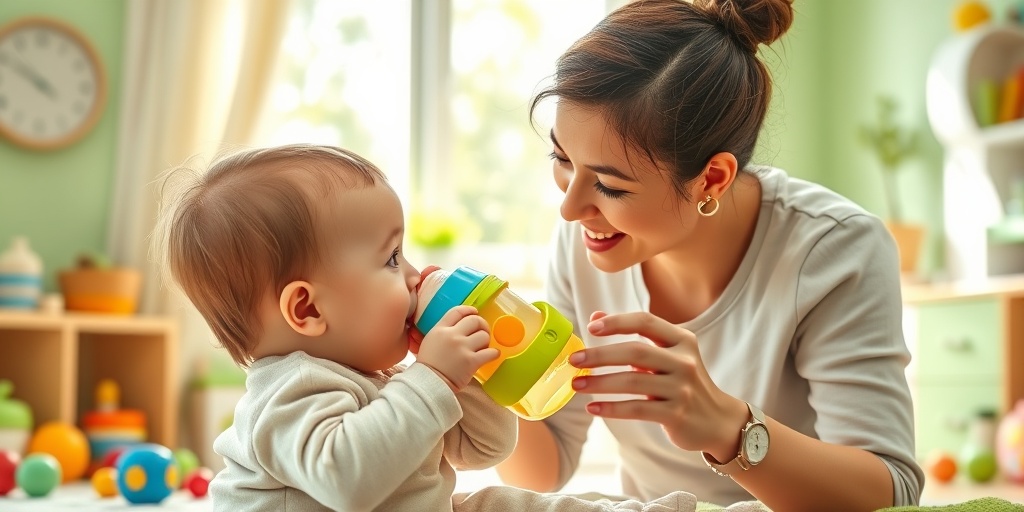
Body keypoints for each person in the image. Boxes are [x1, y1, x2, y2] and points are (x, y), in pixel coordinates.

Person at [496, 1, 925, 511]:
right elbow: (545, 469)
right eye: (562, 158)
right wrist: (481, 378)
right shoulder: (587, 240)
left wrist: (728, 427)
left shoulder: (834, 251)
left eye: (610, 186)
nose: (570, 209)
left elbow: (892, 494)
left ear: (712, 179)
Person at [152, 144, 705, 512]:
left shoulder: (386, 382)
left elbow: (484, 449)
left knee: (506, 504)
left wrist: (471, 376)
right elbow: (347, 479)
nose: (415, 276)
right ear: (308, 310)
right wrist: (433, 379)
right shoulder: (289, 392)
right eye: (391, 259)